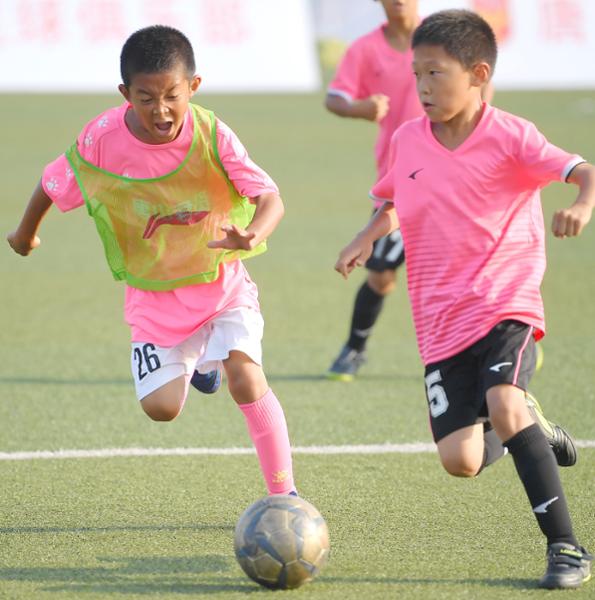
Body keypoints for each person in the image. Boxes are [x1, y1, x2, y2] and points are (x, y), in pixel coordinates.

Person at [334, 9, 593, 589]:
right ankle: (531, 422)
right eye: (417, 74)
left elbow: (583, 171)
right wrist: (363, 238)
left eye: (436, 74)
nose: (422, 88)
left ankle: (567, 549)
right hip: (439, 319)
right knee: (462, 461)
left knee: (503, 403)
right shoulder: (407, 138)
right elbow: (394, 199)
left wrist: (581, 204)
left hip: (505, 301)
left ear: (478, 74)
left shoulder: (512, 135)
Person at [7, 25, 295, 497]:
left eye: (172, 96)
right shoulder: (102, 138)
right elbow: (54, 181)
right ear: (126, 94)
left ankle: (285, 497)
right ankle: (202, 364)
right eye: (146, 98)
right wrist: (25, 233)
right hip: (154, 292)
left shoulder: (212, 134)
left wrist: (252, 235)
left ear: (193, 87)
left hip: (221, 284)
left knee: (246, 378)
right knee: (161, 408)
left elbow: (270, 198)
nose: (161, 110)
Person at [325, 0, 499, 380]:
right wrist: (360, 108)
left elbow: (481, 81)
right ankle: (355, 348)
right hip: (402, 180)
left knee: (467, 269)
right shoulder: (365, 49)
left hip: (455, 182)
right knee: (380, 275)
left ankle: (502, 343)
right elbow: (334, 98)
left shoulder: (443, 38)